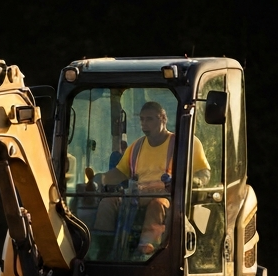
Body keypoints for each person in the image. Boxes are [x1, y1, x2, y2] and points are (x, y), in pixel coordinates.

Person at [84, 101, 210, 255]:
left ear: (163, 118)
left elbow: (204, 174)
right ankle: (102, 250)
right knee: (107, 203)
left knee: (157, 205)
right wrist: (100, 179)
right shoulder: (136, 147)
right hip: (137, 194)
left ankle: (147, 252)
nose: (144, 124)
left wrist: (188, 182)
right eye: (142, 119)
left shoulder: (185, 143)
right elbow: (120, 172)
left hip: (169, 196)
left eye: (149, 119)